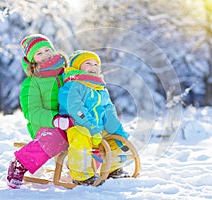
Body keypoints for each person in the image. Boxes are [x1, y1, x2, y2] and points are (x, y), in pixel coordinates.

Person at [7, 34, 73, 189]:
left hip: (72, 120)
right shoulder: (31, 83)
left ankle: (88, 169)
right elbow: (32, 112)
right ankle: (20, 163)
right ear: (32, 60)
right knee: (54, 137)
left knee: (92, 132)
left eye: (47, 49)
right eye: (39, 53)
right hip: (47, 126)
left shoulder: (67, 73)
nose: (45, 55)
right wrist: (55, 119)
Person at [58, 50, 130, 185]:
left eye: (96, 64)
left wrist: (117, 131)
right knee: (81, 137)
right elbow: (76, 108)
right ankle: (81, 176)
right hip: (76, 126)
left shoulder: (100, 89)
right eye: (88, 63)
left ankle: (113, 169)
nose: (93, 66)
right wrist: (90, 126)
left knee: (113, 138)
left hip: (97, 128)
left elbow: (108, 112)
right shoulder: (72, 85)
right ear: (77, 67)